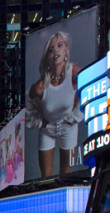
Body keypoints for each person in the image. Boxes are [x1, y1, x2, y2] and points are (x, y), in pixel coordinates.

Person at [26, 32, 83, 177]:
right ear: (47, 58)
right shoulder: (40, 86)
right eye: (51, 49)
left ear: (66, 51)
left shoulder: (74, 73)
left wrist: (76, 115)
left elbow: (91, 86)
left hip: (68, 128)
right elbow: (26, 107)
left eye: (59, 45)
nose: (55, 51)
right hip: (48, 129)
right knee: (46, 178)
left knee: (66, 175)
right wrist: (39, 121)